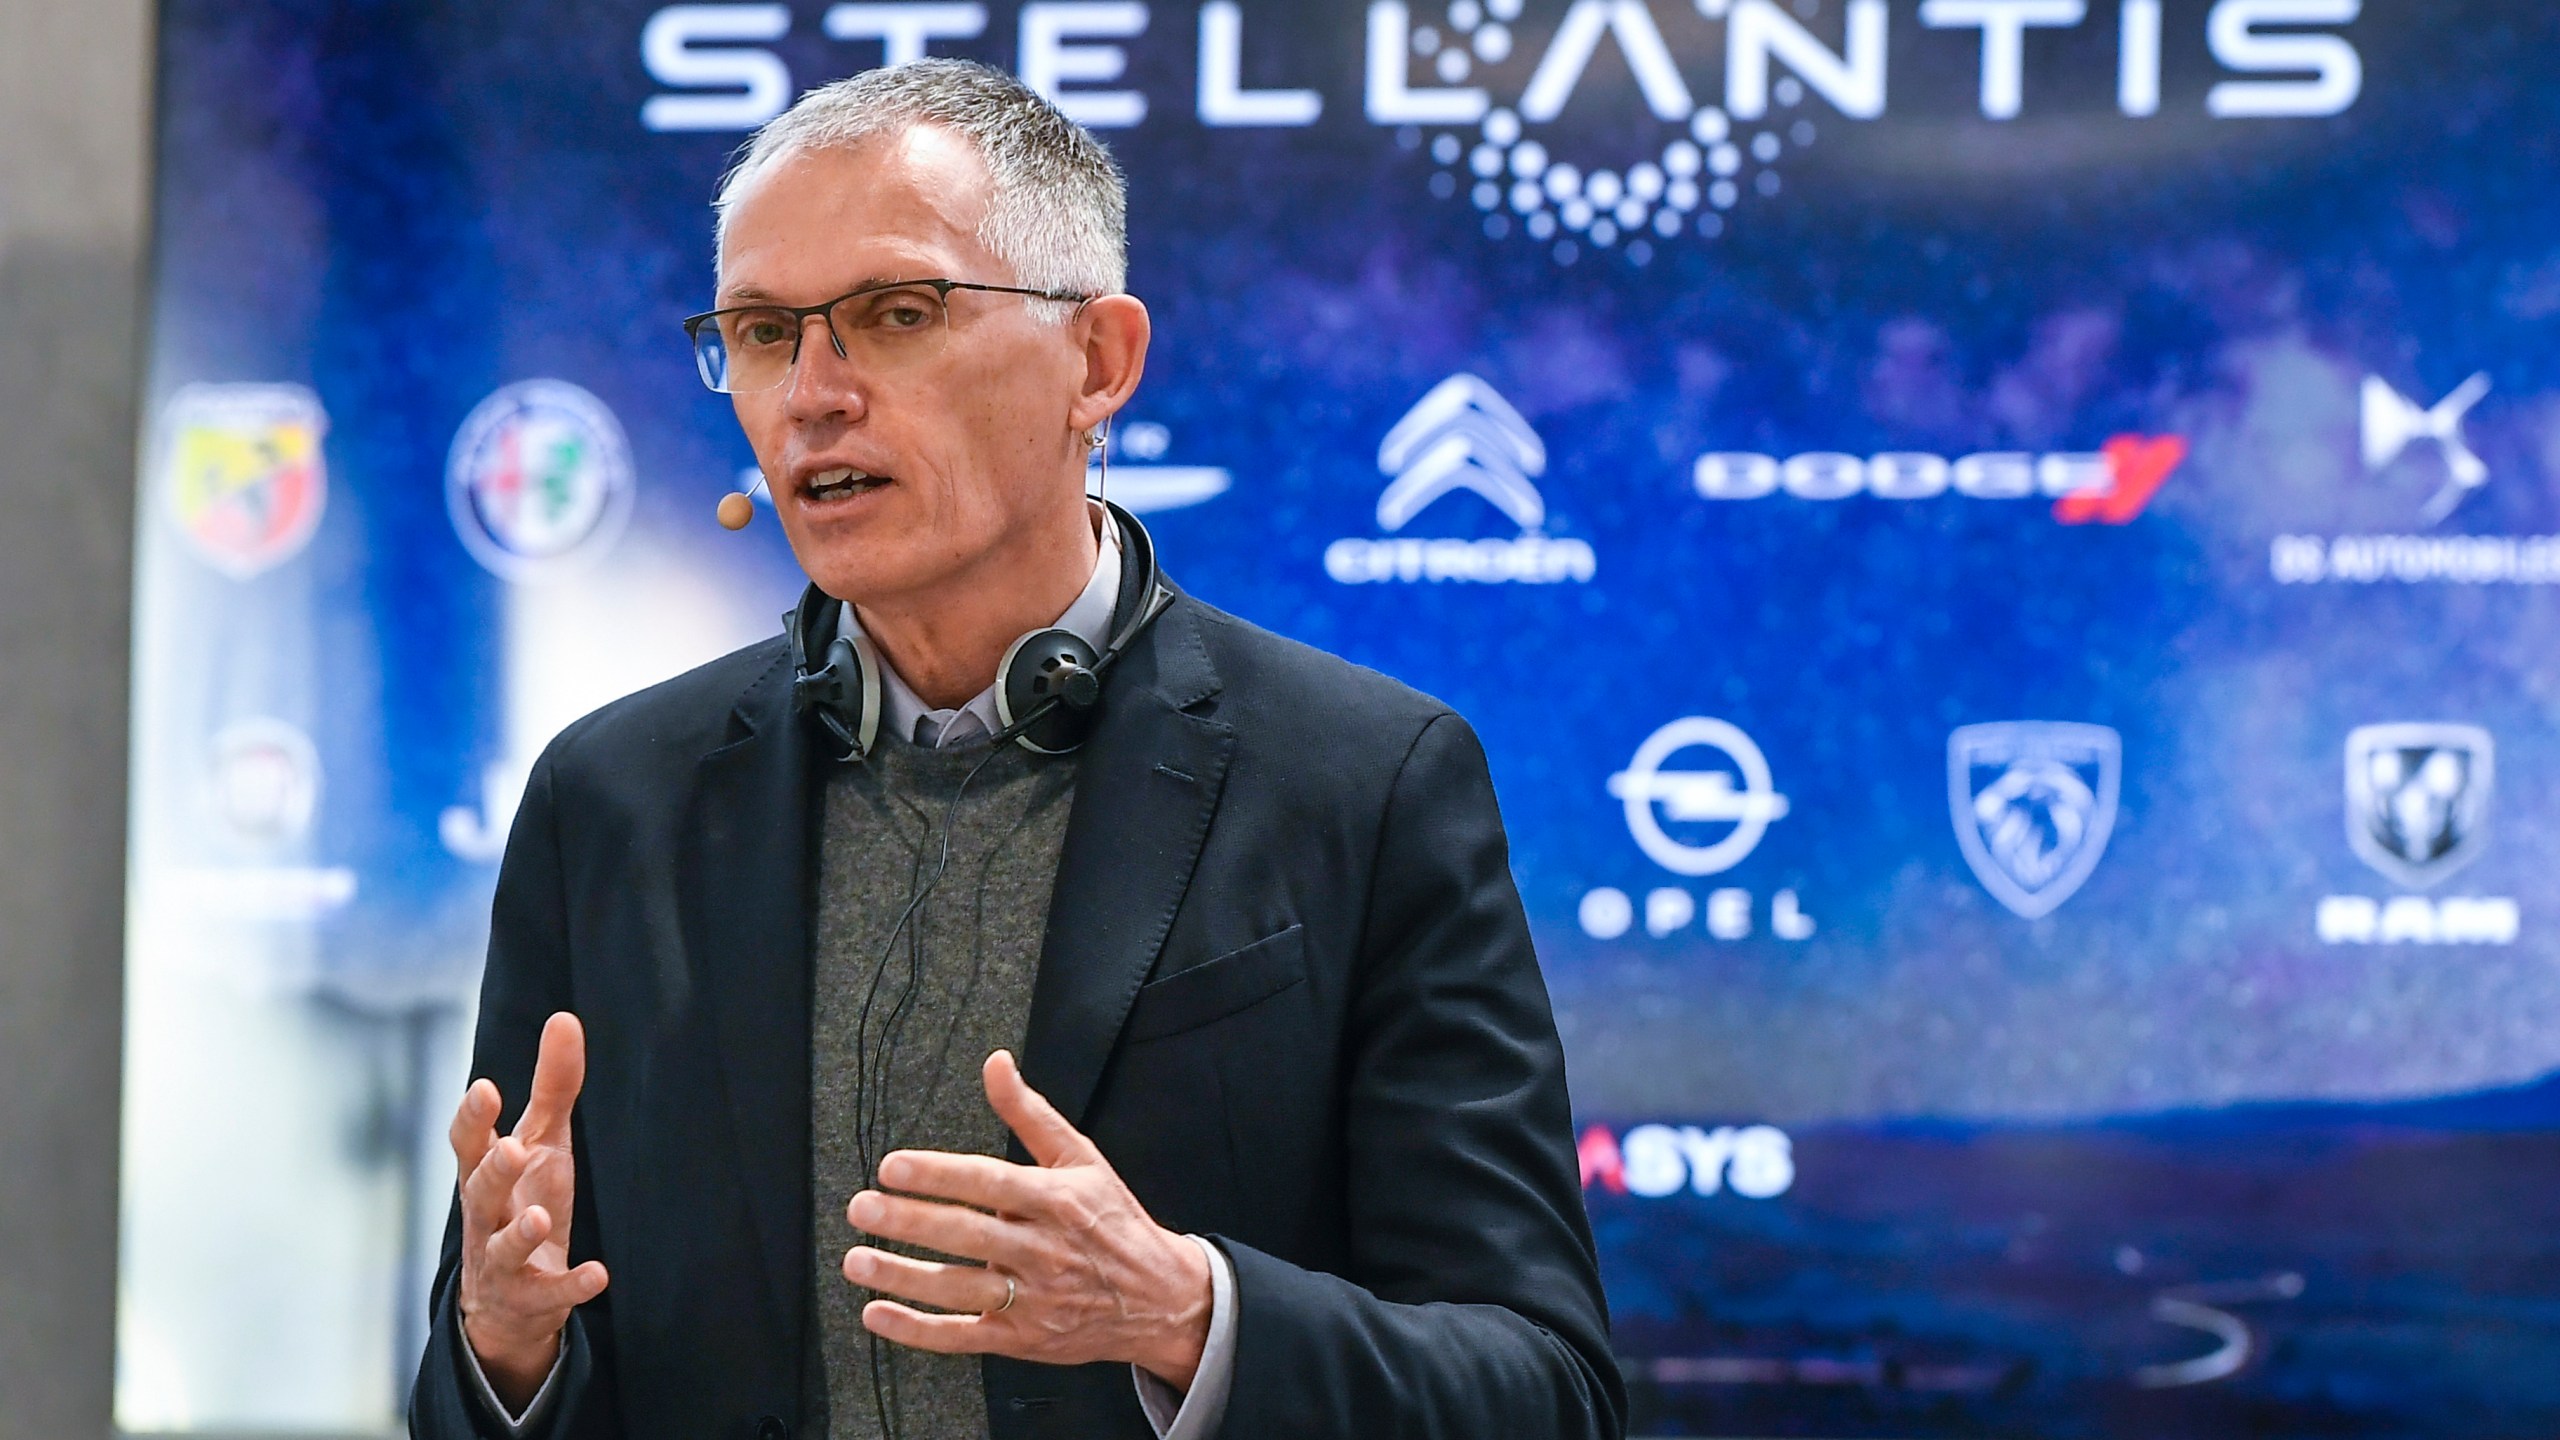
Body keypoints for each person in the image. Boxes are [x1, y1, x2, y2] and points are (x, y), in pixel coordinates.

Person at [409, 58, 1622, 1440]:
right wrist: (503, 1352)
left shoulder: (1366, 781)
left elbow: (1545, 1391)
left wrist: (1188, 1315)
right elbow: (477, 1396)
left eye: (896, 313)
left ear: (1095, 363)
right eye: (759, 332)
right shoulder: (613, 798)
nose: (811, 395)